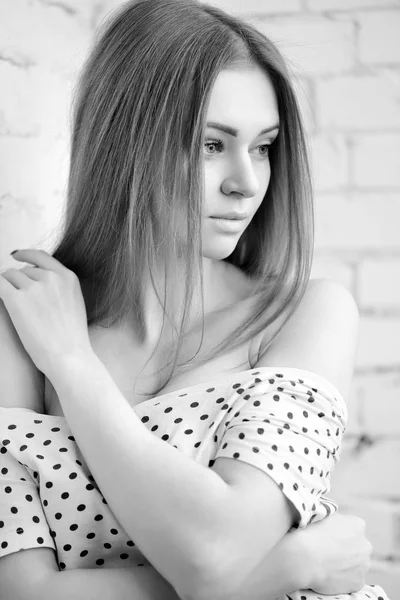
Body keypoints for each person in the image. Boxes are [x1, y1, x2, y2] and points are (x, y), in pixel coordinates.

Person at [0, 0, 389, 599]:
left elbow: (216, 555)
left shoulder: (304, 313)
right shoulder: (25, 326)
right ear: (123, 144)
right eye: (212, 144)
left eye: (263, 146)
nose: (248, 181)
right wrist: (288, 568)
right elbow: (24, 593)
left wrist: (74, 369)